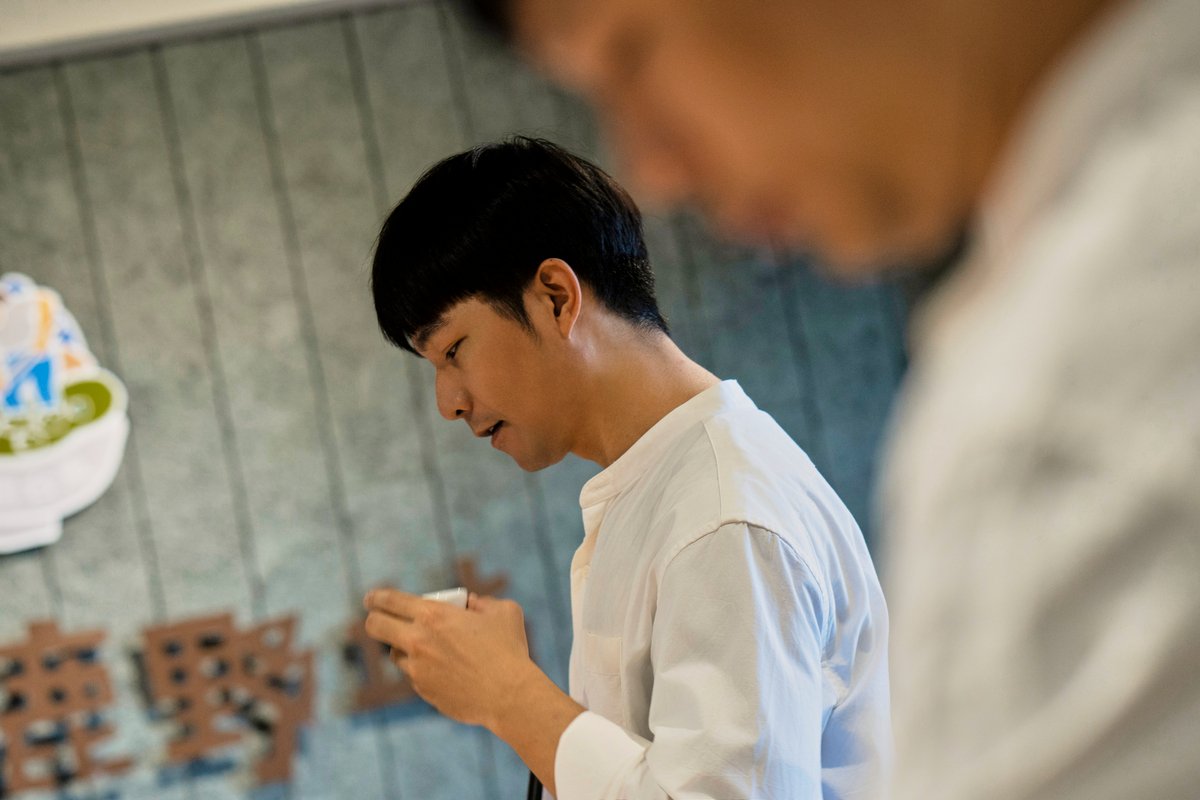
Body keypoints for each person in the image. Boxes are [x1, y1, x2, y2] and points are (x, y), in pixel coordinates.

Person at [457, 1, 1200, 798]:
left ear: (556, 299)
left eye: (630, 55)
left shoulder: (1074, 378)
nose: (654, 166)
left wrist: (511, 698)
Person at [362, 137, 891, 799]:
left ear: (555, 297)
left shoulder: (721, 516)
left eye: (453, 351)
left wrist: (511, 696)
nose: (448, 402)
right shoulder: (668, 490)